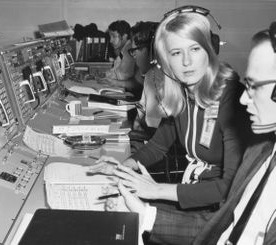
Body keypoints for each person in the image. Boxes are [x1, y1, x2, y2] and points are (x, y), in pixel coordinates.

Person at [89, 6, 251, 245]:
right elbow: (157, 146)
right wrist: (125, 167)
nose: (186, 61)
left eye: (195, 49)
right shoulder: (181, 94)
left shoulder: (232, 97)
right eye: (176, 53)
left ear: (209, 50)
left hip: (218, 213)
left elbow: (230, 188)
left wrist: (155, 192)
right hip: (191, 195)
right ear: (166, 60)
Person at [193, 25, 276, 245]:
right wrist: (146, 216)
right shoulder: (259, 150)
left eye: (253, 86)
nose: (243, 99)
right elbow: (222, 225)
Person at [102, 20, 143, 96]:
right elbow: (117, 71)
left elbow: (123, 76)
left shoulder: (129, 50)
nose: (110, 40)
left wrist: (110, 79)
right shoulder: (123, 50)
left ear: (124, 36)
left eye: (114, 36)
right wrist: (104, 75)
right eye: (110, 36)